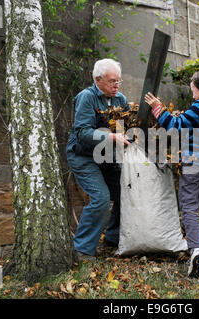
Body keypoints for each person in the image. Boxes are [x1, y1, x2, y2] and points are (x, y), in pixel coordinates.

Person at [144, 68, 199, 278]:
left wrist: (158, 108)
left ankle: (196, 251)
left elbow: (176, 127)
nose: (192, 93)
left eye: (193, 89)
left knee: (189, 206)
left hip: (194, 163)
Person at [67, 58, 130, 261]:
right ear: (98, 79)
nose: (116, 86)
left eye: (118, 81)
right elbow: (83, 133)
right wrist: (112, 137)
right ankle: (82, 250)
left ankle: (112, 238)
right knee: (101, 198)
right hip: (82, 155)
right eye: (112, 81)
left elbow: (125, 128)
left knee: (125, 192)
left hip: (106, 156)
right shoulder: (86, 97)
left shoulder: (121, 100)